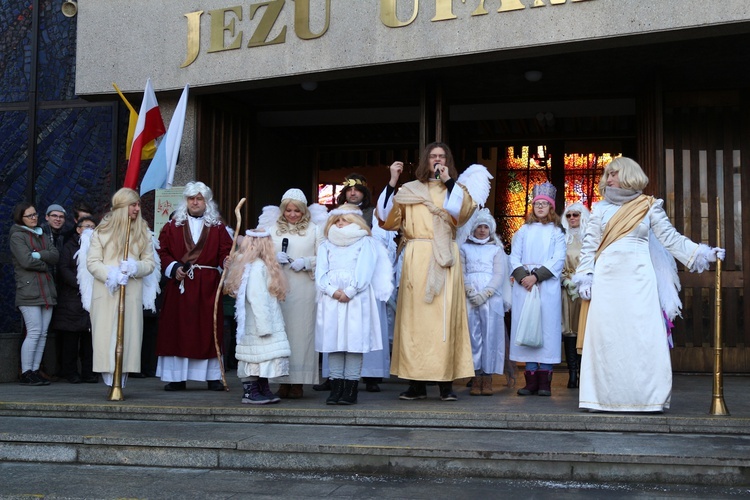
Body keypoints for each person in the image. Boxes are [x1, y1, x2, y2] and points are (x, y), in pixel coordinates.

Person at [574, 157, 725, 412]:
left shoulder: (650, 205)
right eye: (607, 174)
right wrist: (585, 275)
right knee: (606, 337)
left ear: (630, 175)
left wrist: (702, 253)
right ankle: (601, 398)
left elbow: (671, 238)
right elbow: (589, 246)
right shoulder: (599, 209)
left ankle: (646, 398)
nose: (608, 179)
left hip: (639, 278)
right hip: (607, 279)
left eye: (614, 174)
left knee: (643, 336)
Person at [376, 142, 490, 401]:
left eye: (442, 157)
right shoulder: (409, 189)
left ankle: (445, 384)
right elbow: (387, 218)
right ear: (425, 160)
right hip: (417, 257)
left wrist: (448, 181)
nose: (437, 160)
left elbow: (460, 215)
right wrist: (392, 182)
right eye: (433, 156)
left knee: (444, 321)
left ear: (447, 161)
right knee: (415, 321)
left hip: (443, 257)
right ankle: (416, 384)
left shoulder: (456, 189)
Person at [314, 174, 392, 394]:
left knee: (354, 342)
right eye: (338, 220)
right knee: (334, 342)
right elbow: (321, 271)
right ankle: (336, 387)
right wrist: (331, 290)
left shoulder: (365, 241)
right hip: (332, 298)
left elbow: (365, 269)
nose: (341, 223)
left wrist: (350, 290)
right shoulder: (327, 244)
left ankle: (350, 389)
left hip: (355, 297)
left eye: (346, 220)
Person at [156, 182, 233, 391]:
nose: (195, 202)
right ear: (186, 201)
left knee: (208, 329)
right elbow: (162, 252)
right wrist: (174, 268)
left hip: (208, 286)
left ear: (206, 202)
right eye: (191, 198)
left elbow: (226, 251)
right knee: (177, 329)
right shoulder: (172, 226)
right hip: (180, 285)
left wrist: (226, 260)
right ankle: (177, 377)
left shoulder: (217, 227)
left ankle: (213, 377)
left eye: (199, 198)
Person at [86, 188, 158, 388]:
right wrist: (111, 274)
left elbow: (150, 263)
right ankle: (110, 382)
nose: (137, 209)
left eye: (138, 205)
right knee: (106, 337)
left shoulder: (142, 230)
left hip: (131, 294)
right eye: (133, 205)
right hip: (107, 294)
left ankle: (121, 382)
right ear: (122, 206)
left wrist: (135, 267)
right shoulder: (101, 231)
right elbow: (92, 263)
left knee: (128, 338)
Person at [258, 188, 327, 398]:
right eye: (288, 210)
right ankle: (281, 381)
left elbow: (325, 256)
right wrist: (271, 256)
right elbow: (258, 253)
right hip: (278, 288)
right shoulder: (271, 229)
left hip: (304, 288)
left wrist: (306, 262)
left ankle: (299, 382)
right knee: (280, 334)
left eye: (297, 211)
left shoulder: (315, 229)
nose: (293, 214)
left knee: (302, 334)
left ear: (304, 211)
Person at [509, 182, 566, 397]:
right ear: (532, 207)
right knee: (527, 327)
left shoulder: (556, 232)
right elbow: (513, 256)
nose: (540, 207)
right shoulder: (523, 231)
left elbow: (558, 258)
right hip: (525, 287)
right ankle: (530, 380)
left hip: (546, 285)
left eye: (544, 204)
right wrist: (524, 277)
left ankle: (545, 381)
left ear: (551, 208)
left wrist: (536, 276)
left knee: (546, 329)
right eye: (537, 204)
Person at [224, 229, 292, 405]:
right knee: (255, 355)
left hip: (257, 320)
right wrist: (264, 325)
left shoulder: (254, 265)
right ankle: (251, 391)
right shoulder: (257, 267)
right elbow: (257, 297)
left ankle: (262, 386)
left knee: (260, 355)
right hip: (258, 322)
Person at [459, 208, 511, 396]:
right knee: (473, 335)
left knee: (490, 335)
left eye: (485, 227)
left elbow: (499, 274)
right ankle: (475, 375)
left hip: (491, 296)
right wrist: (470, 290)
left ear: (491, 229)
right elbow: (462, 271)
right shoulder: (464, 248)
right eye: (479, 227)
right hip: (470, 296)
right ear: (473, 229)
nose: (482, 230)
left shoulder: (496, 250)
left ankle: (487, 377)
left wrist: (486, 293)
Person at [9, 202, 59, 386]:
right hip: (29, 290)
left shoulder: (42, 234)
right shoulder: (17, 236)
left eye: (35, 214)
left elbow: (55, 255)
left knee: (43, 333)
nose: (34, 218)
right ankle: (27, 371)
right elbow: (26, 261)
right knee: (34, 331)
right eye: (29, 216)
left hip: (46, 290)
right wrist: (43, 260)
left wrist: (38, 254)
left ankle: (35, 369)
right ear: (20, 218)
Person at [49, 216, 99, 384]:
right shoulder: (69, 247)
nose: (90, 230)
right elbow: (63, 269)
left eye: (93, 227)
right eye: (87, 226)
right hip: (72, 300)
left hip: (91, 300)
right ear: (78, 229)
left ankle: (88, 372)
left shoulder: (98, 247)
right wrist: (82, 283)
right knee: (71, 341)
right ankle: (70, 372)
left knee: (88, 340)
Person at [560, 202, 590, 389]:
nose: (572, 218)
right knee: (569, 330)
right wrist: (565, 280)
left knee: (585, 329)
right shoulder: (561, 238)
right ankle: (572, 373)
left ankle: (584, 372)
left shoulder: (590, 238)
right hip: (567, 290)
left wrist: (583, 280)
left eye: (576, 215)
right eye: (569, 215)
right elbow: (556, 262)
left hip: (586, 290)